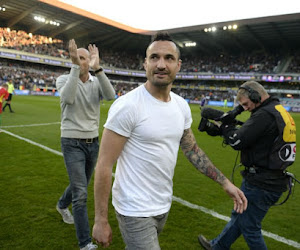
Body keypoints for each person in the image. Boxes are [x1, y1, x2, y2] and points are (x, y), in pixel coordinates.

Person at [92, 32, 247, 249]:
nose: (161, 64)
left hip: (163, 204)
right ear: (145, 63)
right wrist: (100, 220)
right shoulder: (127, 106)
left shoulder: (181, 106)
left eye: (168, 58)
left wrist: (225, 183)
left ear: (178, 65)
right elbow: (104, 164)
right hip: (134, 209)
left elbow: (192, 149)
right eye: (154, 57)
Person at [198, 81, 296, 250]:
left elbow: (237, 141)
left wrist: (226, 125)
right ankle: (217, 247)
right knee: (241, 215)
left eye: (246, 104)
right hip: (273, 178)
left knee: (249, 227)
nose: (245, 108)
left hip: (262, 182)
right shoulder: (277, 110)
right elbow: (258, 137)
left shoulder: (264, 115)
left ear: (256, 96)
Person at [56, 39, 115, 250]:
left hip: (93, 142)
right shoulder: (63, 79)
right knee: (81, 193)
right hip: (71, 142)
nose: (82, 61)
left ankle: (62, 204)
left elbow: (111, 96)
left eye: (85, 58)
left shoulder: (96, 80)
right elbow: (69, 99)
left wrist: (98, 68)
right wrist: (74, 67)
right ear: (72, 59)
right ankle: (85, 244)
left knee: (80, 184)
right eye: (78, 58)